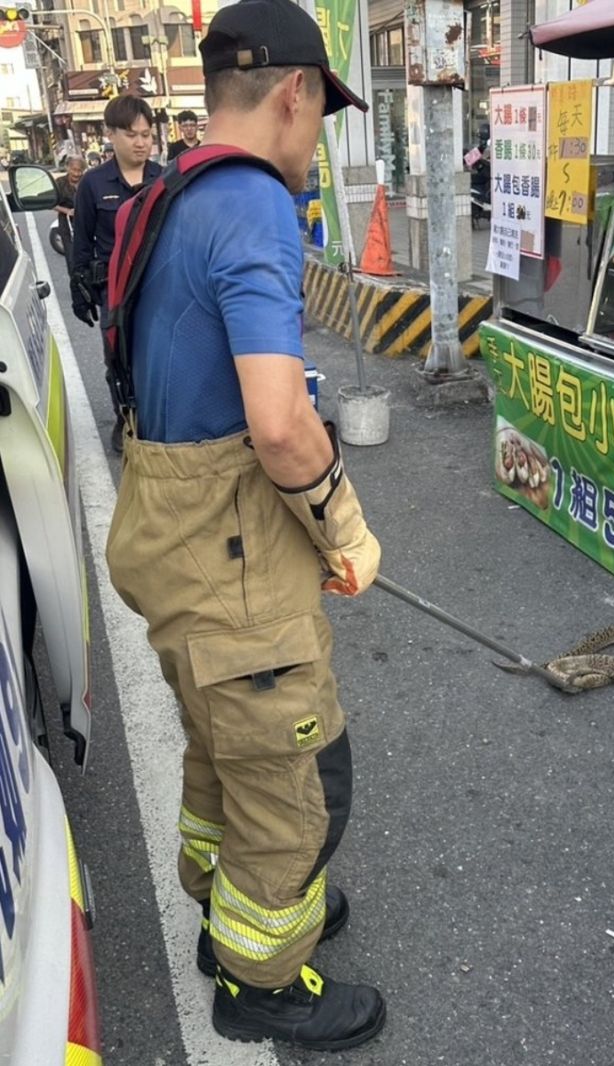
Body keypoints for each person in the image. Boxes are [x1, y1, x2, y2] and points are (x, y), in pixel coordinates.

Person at [102, 0, 384, 1049]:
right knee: (300, 772)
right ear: (293, 93)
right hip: (230, 553)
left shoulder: (168, 192)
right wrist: (347, 530)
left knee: (224, 752)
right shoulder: (255, 202)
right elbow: (278, 423)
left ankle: (231, 912)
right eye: (321, 117)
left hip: (169, 532)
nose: (316, 143)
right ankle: (259, 980)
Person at [72, 94, 162, 451]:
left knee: (159, 354)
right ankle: (125, 419)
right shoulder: (93, 183)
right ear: (110, 134)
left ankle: (160, 418)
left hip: (158, 285)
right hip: (114, 290)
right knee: (118, 359)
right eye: (131, 135)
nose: (141, 143)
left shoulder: (164, 178)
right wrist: (79, 286)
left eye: (146, 134)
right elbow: (81, 241)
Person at [53, 155, 83, 251]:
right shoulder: (60, 182)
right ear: (67, 168)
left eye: (80, 170)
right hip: (66, 221)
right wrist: (67, 211)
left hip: (85, 220)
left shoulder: (86, 180)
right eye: (74, 170)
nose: (77, 174)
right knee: (70, 251)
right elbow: (51, 203)